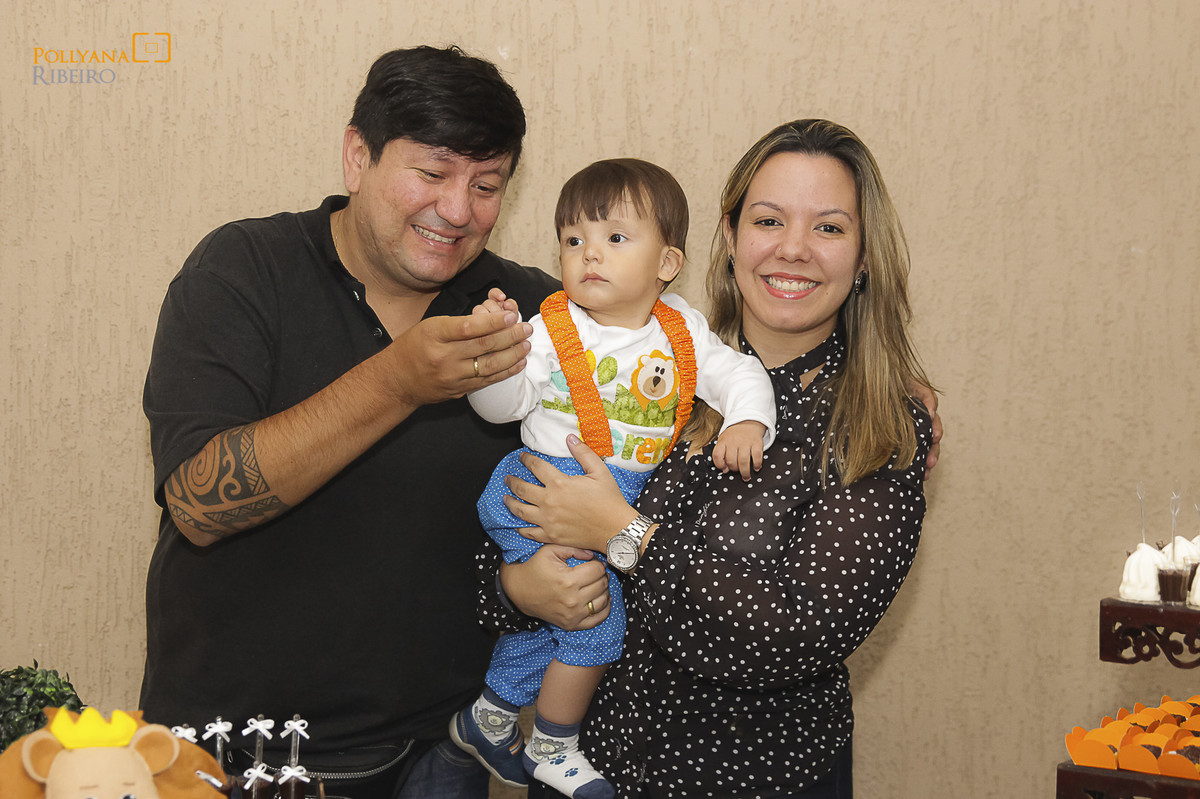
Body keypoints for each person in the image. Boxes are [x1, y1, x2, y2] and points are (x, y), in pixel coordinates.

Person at [140, 45, 602, 799]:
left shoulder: (530, 315)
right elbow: (198, 504)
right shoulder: (244, 269)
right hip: (243, 751)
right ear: (358, 156)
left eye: (486, 185)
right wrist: (398, 381)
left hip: (445, 750)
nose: (459, 210)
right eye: (432, 173)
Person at [500, 119, 937, 798]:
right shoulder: (653, 361)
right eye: (768, 220)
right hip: (583, 770)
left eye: (828, 227)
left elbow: (795, 635)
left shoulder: (879, 426)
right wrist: (516, 587)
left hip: (749, 777)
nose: (793, 248)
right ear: (730, 237)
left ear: (863, 257)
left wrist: (623, 533)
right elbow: (515, 519)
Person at [450, 159, 776, 798]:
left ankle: (488, 716)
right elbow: (501, 410)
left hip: (610, 502)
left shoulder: (682, 330)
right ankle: (553, 745)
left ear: (667, 263)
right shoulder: (549, 331)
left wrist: (747, 421)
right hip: (539, 491)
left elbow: (739, 373)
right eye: (574, 240)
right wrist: (494, 364)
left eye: (615, 238)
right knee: (597, 624)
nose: (589, 254)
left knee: (564, 612)